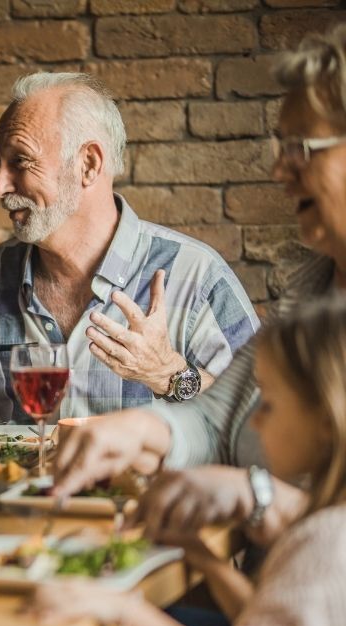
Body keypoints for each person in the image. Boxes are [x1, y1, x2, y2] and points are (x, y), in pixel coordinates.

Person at [2, 296, 346, 626]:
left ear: (324, 421)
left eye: (267, 404)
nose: (251, 423)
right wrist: (200, 557)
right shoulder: (326, 530)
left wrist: (125, 612)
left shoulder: (322, 544)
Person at [53, 25, 346, 543]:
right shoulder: (316, 295)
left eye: (301, 146)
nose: (279, 168)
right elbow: (214, 422)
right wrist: (140, 430)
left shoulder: (199, 269)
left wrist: (257, 496)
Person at [0, 72, 258, 431]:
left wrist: (169, 375)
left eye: (20, 161)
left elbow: (266, 425)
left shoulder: (195, 275)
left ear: (88, 164)